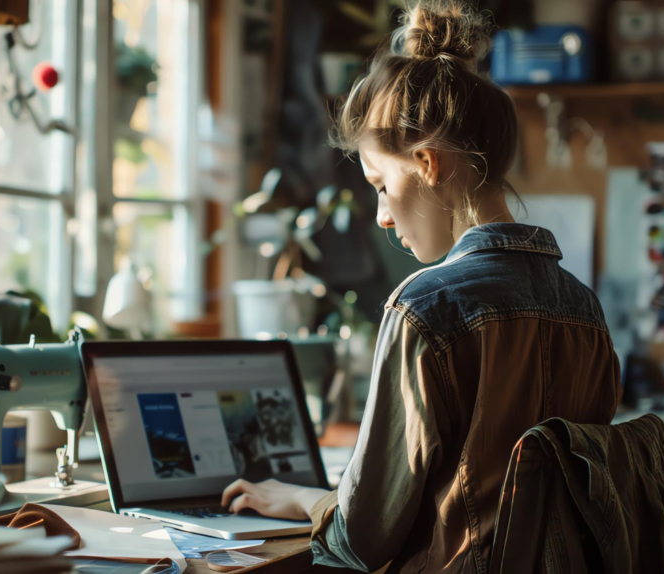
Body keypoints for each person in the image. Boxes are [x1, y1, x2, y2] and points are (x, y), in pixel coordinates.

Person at [220, 1, 622, 572]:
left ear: (427, 164)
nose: (382, 215)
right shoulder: (586, 310)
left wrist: (305, 500)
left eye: (381, 184)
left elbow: (363, 538)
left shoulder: (423, 307)